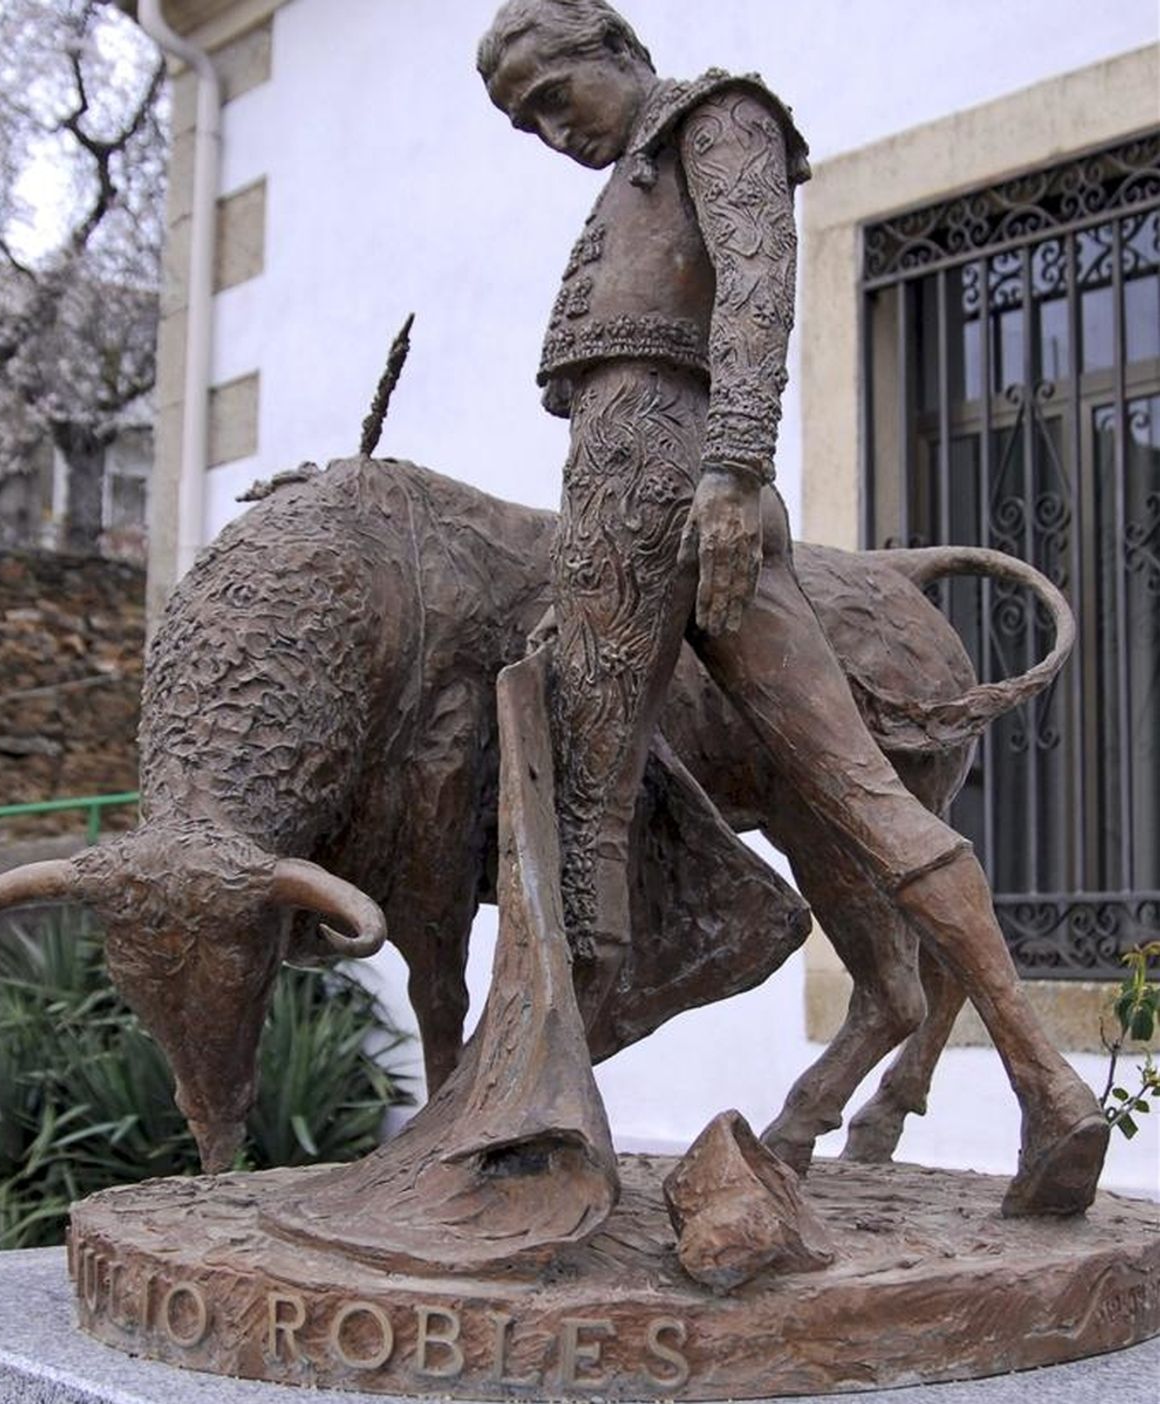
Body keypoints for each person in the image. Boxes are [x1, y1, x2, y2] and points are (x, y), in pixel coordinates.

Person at [477, 0, 1107, 1216]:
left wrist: (732, 468)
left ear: (615, 46)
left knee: (590, 811)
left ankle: (554, 1141)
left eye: (557, 96)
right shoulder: (635, 174)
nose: (552, 130)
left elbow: (760, 288)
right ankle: (1051, 1084)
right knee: (857, 790)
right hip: (647, 490)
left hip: (652, 487)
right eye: (526, 121)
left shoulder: (715, 119)